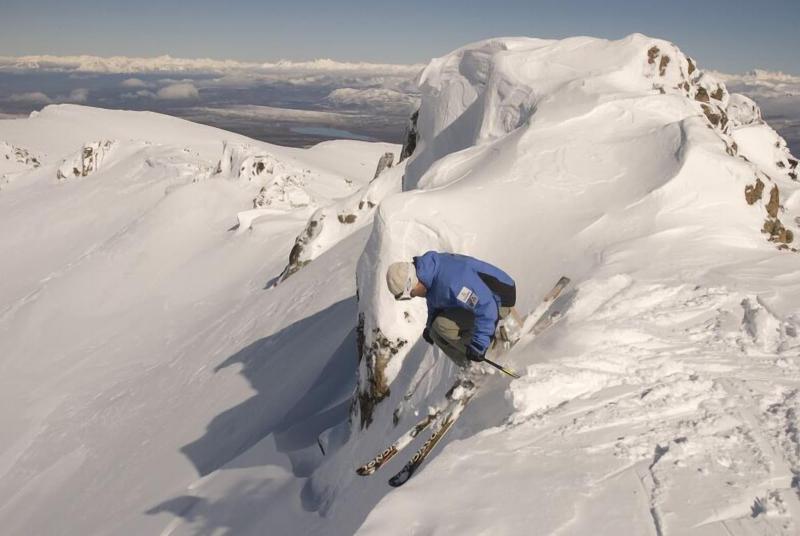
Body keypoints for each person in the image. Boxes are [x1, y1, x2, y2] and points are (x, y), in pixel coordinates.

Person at [386, 251, 518, 367]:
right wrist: (429, 325)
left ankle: (492, 355)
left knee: (442, 326)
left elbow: (487, 307)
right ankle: (470, 367)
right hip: (486, 301)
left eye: (412, 294)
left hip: (500, 301)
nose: (414, 297)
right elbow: (436, 301)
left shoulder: (453, 282)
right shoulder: (429, 273)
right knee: (435, 329)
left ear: (413, 283)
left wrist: (479, 345)